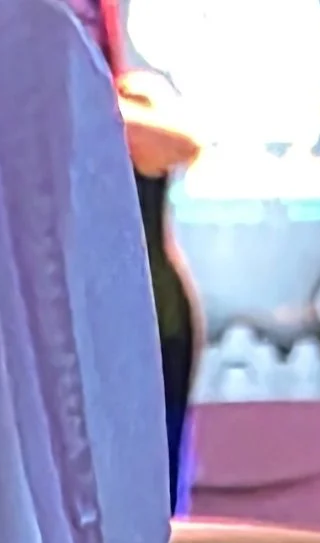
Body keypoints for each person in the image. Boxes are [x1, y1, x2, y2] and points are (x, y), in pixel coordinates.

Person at [81, 0, 203, 508]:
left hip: (152, 314)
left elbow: (182, 144)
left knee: (154, 495)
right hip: (79, 316)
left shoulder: (134, 98)